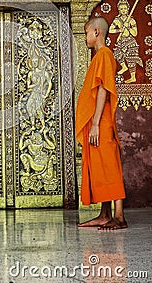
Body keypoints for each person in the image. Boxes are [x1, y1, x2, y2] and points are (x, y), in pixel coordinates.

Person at [76, 16, 127, 230]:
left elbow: (103, 90)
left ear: (96, 32)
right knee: (100, 167)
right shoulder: (98, 57)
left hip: (101, 121)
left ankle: (119, 216)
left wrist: (96, 123)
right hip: (96, 121)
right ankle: (105, 214)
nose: (86, 37)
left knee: (109, 165)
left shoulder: (105, 54)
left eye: (87, 32)